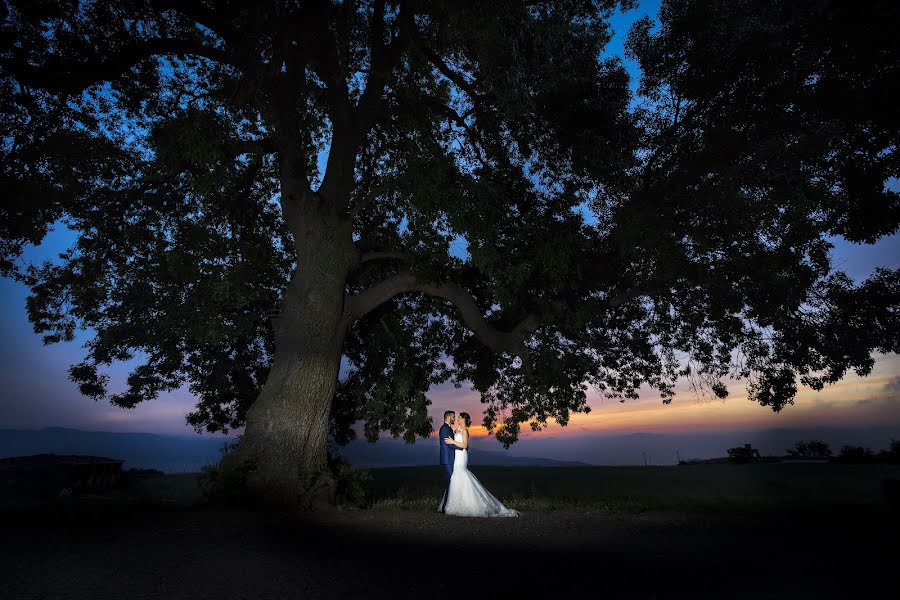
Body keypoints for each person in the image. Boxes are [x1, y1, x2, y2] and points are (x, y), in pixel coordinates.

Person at [438, 411, 521, 517]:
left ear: (463, 419)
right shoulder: (455, 429)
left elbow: (464, 445)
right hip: (456, 456)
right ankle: (457, 503)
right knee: (456, 478)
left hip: (461, 455)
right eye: (456, 417)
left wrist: (454, 442)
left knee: (460, 475)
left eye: (459, 417)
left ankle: (465, 504)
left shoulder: (464, 430)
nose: (457, 418)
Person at [437, 410, 458, 513]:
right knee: (450, 481)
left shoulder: (448, 428)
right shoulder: (444, 428)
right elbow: (449, 444)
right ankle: (445, 507)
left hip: (449, 459)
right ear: (449, 417)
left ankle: (446, 506)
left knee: (449, 482)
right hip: (447, 459)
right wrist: (461, 447)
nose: (455, 419)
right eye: (454, 417)